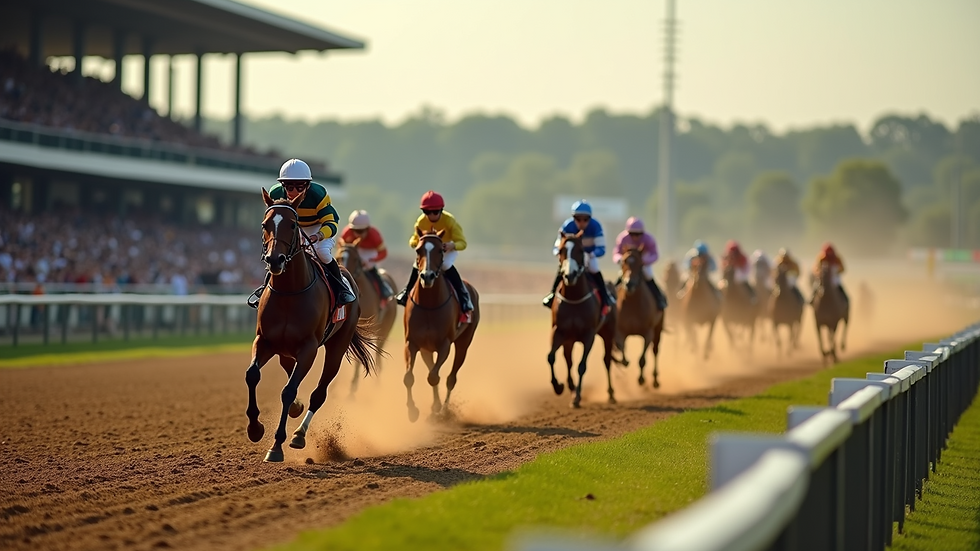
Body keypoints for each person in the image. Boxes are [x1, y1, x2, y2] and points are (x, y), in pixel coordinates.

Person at [247, 158, 355, 308]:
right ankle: (265, 289)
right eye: (289, 187)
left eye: (300, 186)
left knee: (322, 252)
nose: (294, 192)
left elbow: (330, 222)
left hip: (318, 227)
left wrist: (318, 236)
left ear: (308, 185)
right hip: (294, 228)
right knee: (278, 252)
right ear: (283, 185)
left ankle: (341, 289)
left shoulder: (318, 194)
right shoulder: (276, 193)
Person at [393, 191, 474, 323]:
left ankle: (465, 299)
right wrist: (417, 244)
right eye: (426, 212)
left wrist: (451, 245)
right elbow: (413, 239)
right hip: (429, 251)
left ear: (441, 210)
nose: (431, 215)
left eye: (435, 212)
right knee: (417, 264)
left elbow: (462, 243)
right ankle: (406, 293)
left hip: (446, 250)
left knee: (446, 265)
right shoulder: (420, 222)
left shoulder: (449, 221)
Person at [542, 199, 616, 314]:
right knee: (562, 270)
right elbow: (557, 245)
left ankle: (605, 297)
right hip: (572, 257)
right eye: (578, 219)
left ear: (590, 219)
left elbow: (601, 249)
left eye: (585, 219)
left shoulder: (596, 227)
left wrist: (591, 254)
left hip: (589, 256)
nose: (581, 222)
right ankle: (552, 295)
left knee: (594, 269)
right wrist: (559, 253)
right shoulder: (567, 226)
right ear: (573, 217)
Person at [612, 216, 668, 310]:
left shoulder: (649, 239)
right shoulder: (622, 238)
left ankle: (659, 298)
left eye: (638, 234)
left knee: (648, 275)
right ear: (628, 232)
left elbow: (655, 254)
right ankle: (611, 297)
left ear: (642, 232)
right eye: (632, 234)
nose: (635, 237)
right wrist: (620, 259)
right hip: (629, 264)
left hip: (643, 263)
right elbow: (616, 252)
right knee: (621, 276)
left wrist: (645, 261)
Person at [339, 209, 394, 300]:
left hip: (369, 255)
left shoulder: (375, 235)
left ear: (367, 229)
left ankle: (383, 289)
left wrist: (372, 260)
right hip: (354, 252)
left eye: (361, 231)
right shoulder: (346, 233)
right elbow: (341, 249)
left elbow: (383, 252)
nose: (357, 234)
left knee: (373, 271)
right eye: (355, 231)